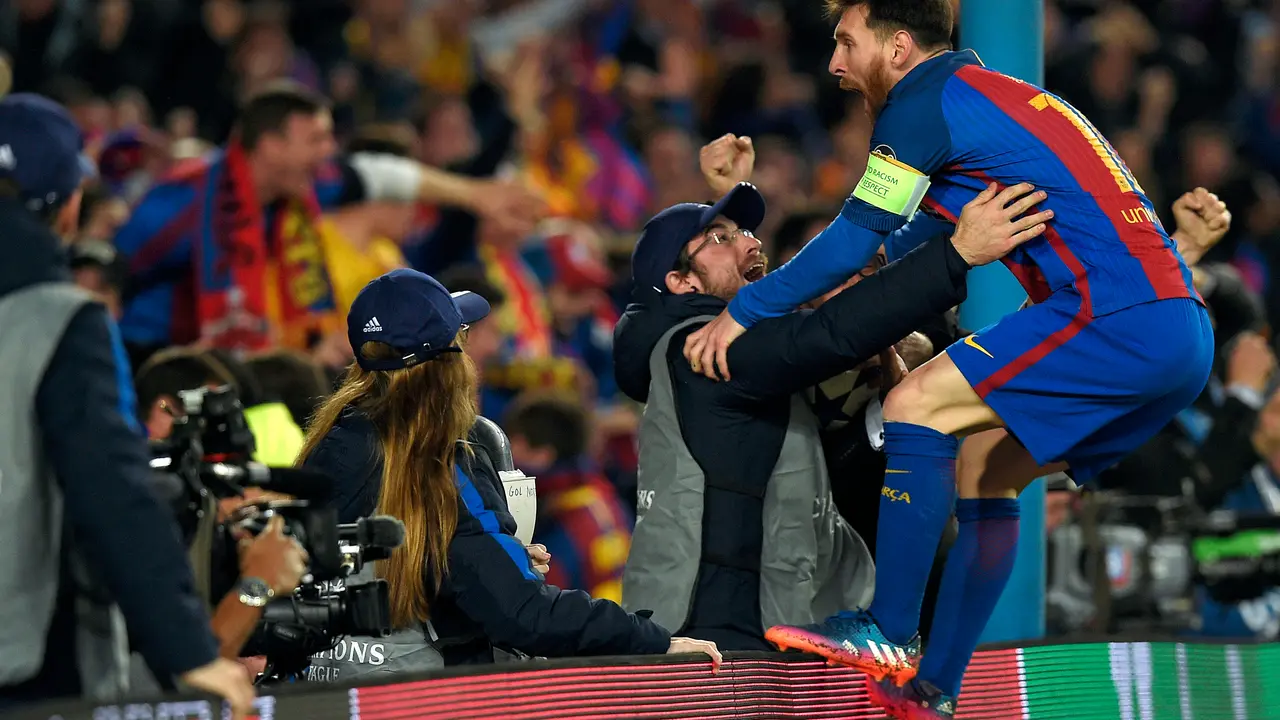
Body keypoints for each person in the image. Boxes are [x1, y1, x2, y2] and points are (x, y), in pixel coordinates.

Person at [682, 2, 1226, 716]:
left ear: (899, 47)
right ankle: (934, 689)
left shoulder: (923, 104)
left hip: (1114, 320)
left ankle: (889, 631)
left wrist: (744, 311)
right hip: (1178, 333)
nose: (835, 65)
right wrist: (738, 203)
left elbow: (850, 246)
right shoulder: (994, 105)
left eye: (847, 43)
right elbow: (889, 255)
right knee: (984, 470)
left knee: (915, 405)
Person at [616, 136, 1052, 652]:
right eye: (719, 238)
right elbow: (828, 331)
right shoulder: (699, 349)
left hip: (761, 612)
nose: (752, 244)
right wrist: (955, 255)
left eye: (747, 232)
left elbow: (823, 317)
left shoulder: (739, 347)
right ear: (680, 283)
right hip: (706, 626)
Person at [297, 269, 720, 675]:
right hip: (417, 699)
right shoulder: (437, 466)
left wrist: (497, 558)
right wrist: (654, 640)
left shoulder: (327, 444)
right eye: (462, 337)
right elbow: (524, 614)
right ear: (451, 362)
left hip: (321, 689)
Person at [0, 93, 254, 717]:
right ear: (66, 206)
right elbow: (109, 485)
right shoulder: (55, 316)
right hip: (24, 656)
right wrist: (190, 651)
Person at [114, 80, 542, 370]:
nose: (328, 152)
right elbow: (115, 268)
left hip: (223, 366)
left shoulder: (299, 191)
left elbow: (379, 174)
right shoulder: (189, 196)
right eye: (316, 140)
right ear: (271, 145)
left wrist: (471, 193)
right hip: (149, 359)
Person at [505, 392, 634, 604]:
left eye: (514, 444)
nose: (508, 455)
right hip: (620, 620)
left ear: (542, 455)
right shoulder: (604, 495)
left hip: (587, 630)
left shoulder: (558, 521)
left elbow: (540, 608)